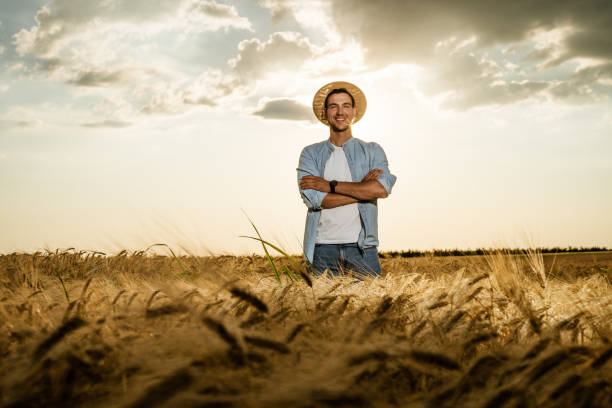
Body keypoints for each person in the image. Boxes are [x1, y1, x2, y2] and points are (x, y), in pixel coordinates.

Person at [297, 81, 397, 277]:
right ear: (325, 113)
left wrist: (329, 186)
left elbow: (381, 189)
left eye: (346, 106)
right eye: (333, 106)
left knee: (371, 307)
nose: (340, 112)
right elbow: (314, 200)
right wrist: (362, 189)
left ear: (354, 112)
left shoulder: (372, 150)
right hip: (321, 249)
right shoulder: (310, 154)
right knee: (320, 308)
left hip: (362, 250)